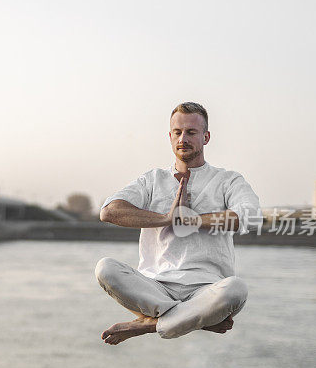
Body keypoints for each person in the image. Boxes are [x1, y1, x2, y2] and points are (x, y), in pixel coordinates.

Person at [96, 102, 260, 345]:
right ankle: (196, 319)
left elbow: (250, 216)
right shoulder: (152, 180)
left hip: (207, 289)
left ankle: (148, 325)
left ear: (206, 137)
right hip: (155, 287)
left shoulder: (227, 180)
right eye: (177, 132)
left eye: (192, 132)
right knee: (105, 268)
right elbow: (109, 211)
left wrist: (191, 221)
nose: (183, 138)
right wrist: (165, 219)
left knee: (236, 289)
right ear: (170, 136)